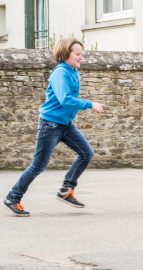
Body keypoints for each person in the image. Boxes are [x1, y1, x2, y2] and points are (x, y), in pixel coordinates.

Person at [3, 38, 105, 217]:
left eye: (82, 54)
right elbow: (64, 99)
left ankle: (67, 189)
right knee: (38, 165)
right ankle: (13, 197)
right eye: (77, 54)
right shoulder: (61, 72)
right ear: (66, 54)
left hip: (65, 124)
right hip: (50, 124)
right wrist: (90, 104)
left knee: (86, 153)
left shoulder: (73, 71)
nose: (81, 58)